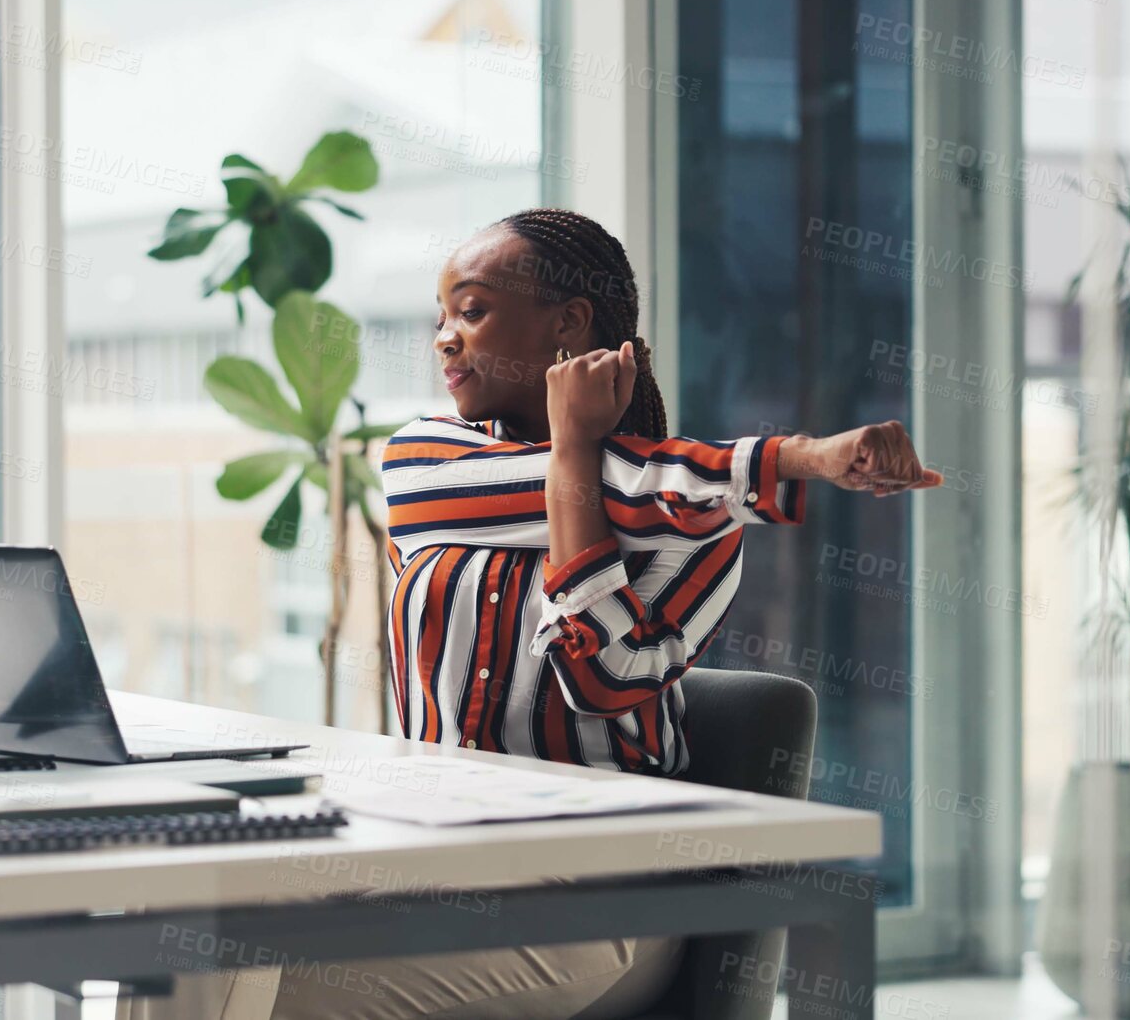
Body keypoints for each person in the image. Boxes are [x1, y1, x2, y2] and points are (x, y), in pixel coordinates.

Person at [246, 208, 941, 1018]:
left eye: (470, 310)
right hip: (422, 853)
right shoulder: (421, 461)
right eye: (441, 316)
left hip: (600, 894)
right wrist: (798, 459)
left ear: (568, 325)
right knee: (201, 960)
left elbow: (605, 682)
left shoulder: (698, 529)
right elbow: (633, 487)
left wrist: (578, 454)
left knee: (273, 994)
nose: (443, 337)